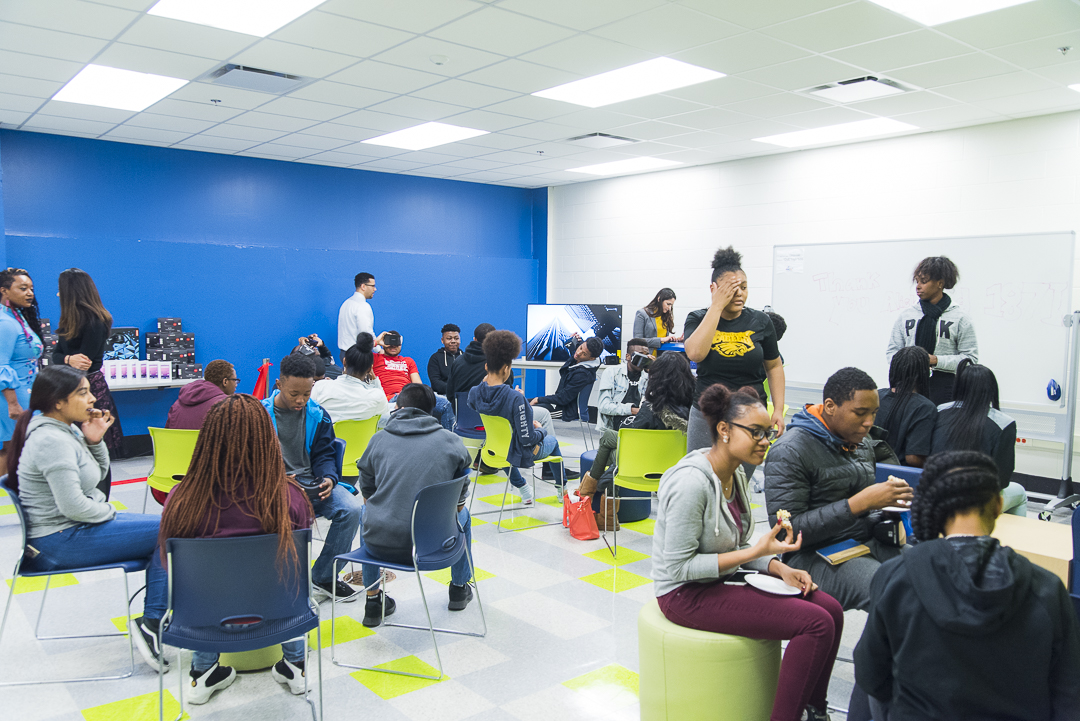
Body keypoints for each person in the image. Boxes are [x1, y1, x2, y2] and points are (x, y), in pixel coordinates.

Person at [653, 383, 842, 721]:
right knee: (815, 624)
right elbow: (679, 568)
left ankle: (815, 709)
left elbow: (738, 545)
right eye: (755, 432)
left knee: (831, 610)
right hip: (683, 594)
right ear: (724, 430)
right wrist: (755, 553)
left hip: (718, 578)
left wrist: (778, 567)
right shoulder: (691, 483)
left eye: (767, 433)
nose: (765, 441)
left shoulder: (736, 473)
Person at [854, 450, 1080, 721]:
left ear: (935, 508)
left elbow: (871, 676)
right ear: (998, 505)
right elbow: (1068, 691)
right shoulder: (1047, 588)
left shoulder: (895, 577)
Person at [156, 394, 317, 703]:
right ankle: (296, 666)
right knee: (292, 575)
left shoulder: (181, 499)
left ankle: (202, 673)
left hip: (204, 621)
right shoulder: (289, 497)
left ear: (206, 440)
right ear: (268, 440)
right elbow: (299, 567)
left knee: (202, 586)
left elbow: (170, 568)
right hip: (280, 616)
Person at [7, 365, 168, 671]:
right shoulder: (51, 440)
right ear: (58, 401)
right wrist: (111, 512)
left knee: (170, 528)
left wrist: (94, 442)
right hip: (58, 541)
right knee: (169, 531)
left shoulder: (64, 430)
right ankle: (154, 622)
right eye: (83, 393)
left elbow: (96, 477)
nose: (93, 399)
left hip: (70, 530)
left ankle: (156, 618)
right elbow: (75, 507)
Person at [764, 367, 914, 612]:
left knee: (933, 575)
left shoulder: (861, 443)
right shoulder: (790, 450)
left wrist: (887, 507)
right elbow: (785, 533)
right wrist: (859, 504)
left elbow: (866, 511)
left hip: (864, 541)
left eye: (874, 413)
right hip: (813, 555)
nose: (869, 422)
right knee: (896, 594)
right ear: (830, 406)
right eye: (860, 413)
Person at [357, 384, 474, 626]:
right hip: (434, 545)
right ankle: (459, 588)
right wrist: (458, 505)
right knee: (464, 516)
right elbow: (463, 480)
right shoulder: (451, 441)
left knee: (365, 512)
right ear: (432, 411)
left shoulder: (378, 439)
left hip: (381, 543)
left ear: (398, 408)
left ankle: (373, 600)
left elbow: (367, 488)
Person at [260, 353, 362, 602]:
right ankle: (280, 582)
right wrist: (275, 479)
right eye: (294, 393)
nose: (301, 400)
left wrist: (329, 478)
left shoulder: (318, 415)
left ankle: (324, 577)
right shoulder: (259, 415)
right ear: (279, 383)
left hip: (312, 484)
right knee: (283, 513)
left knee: (351, 509)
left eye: (306, 393)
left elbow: (325, 454)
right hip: (274, 487)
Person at [579, 351, 694, 531]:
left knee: (611, 444)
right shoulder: (694, 409)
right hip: (674, 469)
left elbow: (631, 440)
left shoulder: (652, 407)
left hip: (641, 467)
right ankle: (597, 504)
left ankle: (591, 498)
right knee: (610, 440)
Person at [684, 247, 785, 452]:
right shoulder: (697, 318)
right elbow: (696, 354)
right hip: (707, 413)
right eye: (731, 289)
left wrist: (778, 409)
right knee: (701, 467)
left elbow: (774, 367)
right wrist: (716, 306)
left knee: (742, 469)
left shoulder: (761, 321)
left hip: (750, 412)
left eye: (744, 287)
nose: (739, 294)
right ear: (714, 289)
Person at [468, 330, 565, 506]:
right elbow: (527, 439)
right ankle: (561, 490)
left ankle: (523, 488)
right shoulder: (515, 398)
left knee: (505, 443)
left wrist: (486, 386)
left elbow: (476, 405)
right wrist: (541, 430)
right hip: (521, 453)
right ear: (506, 369)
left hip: (493, 451)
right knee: (553, 442)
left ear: (486, 367)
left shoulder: (475, 392)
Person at [931, 359, 1027, 516]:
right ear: (991, 389)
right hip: (975, 503)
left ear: (959, 386)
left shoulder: (939, 411)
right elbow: (1002, 480)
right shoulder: (1004, 423)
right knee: (1020, 493)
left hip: (936, 495)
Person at [52, 268, 124, 472]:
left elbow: (83, 363)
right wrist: (68, 359)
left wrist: (64, 359)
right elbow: (55, 355)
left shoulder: (95, 322)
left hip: (88, 388)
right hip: (69, 386)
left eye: (60, 289)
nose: (58, 294)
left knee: (94, 447)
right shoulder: (68, 321)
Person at [886, 256, 978, 405]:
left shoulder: (960, 317)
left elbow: (970, 359)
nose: (918, 287)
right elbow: (892, 351)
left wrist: (935, 360)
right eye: (917, 281)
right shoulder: (907, 315)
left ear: (940, 283)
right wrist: (909, 363)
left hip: (945, 388)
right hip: (908, 385)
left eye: (923, 281)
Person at [0, 268, 44, 468]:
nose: (29, 293)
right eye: (23, 288)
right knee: (13, 450)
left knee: (20, 450)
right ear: (4, 291)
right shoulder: (5, 323)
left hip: (26, 393)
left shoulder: (17, 317)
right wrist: (12, 403)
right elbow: (1, 364)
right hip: (12, 397)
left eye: (31, 289)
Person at [372, 331, 455, 431]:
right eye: (389, 342)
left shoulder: (408, 361)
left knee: (445, 404)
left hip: (410, 395)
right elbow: (357, 353)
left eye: (396, 342)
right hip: (391, 399)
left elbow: (418, 384)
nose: (393, 345)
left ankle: (448, 439)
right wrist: (376, 342)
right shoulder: (375, 358)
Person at [311, 332, 392, 423]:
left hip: (328, 432)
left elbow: (308, 413)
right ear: (370, 368)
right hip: (362, 433)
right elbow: (386, 413)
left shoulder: (321, 387)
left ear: (344, 361)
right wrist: (374, 379)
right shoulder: (377, 397)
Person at [876, 347, 936, 468]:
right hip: (901, 474)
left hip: (867, 469)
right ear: (923, 373)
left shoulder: (876, 396)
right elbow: (913, 458)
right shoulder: (925, 407)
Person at [530, 335, 603, 422]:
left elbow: (563, 398)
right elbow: (568, 344)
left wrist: (538, 399)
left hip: (565, 410)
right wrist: (574, 338)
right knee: (522, 403)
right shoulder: (581, 357)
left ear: (591, 358)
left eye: (584, 354)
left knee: (527, 412)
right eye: (580, 348)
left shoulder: (583, 375)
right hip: (557, 401)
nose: (578, 353)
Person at [165, 359, 238, 430]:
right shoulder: (227, 405)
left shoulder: (176, 405)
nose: (236, 385)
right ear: (225, 382)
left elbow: (167, 432)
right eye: (235, 380)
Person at [596, 338, 650, 432]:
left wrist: (654, 373)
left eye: (646, 356)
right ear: (628, 357)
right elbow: (603, 406)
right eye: (640, 355)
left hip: (641, 424)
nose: (643, 359)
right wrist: (632, 410)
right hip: (615, 426)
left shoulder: (648, 377)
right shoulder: (612, 373)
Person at [337, 272, 377, 355]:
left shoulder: (346, 303)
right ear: (363, 286)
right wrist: (378, 349)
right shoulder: (362, 306)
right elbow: (366, 333)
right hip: (357, 355)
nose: (375, 289)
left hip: (344, 353)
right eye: (372, 286)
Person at [634, 288, 682, 352]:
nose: (669, 308)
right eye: (668, 304)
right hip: (647, 355)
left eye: (671, 305)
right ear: (659, 299)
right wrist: (661, 340)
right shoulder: (642, 314)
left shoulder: (665, 315)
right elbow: (637, 341)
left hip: (661, 356)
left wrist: (676, 340)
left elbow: (664, 339)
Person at [426, 323, 462, 395]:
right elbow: (435, 382)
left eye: (456, 338)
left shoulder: (466, 357)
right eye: (449, 338)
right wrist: (453, 389)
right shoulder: (435, 358)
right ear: (442, 340)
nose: (453, 341)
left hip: (463, 394)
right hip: (442, 395)